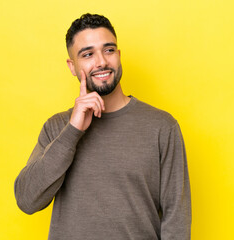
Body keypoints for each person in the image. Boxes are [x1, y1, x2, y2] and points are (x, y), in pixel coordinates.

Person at [14, 13, 191, 240]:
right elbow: (27, 200)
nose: (101, 62)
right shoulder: (57, 127)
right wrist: (73, 131)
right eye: (87, 54)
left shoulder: (162, 127)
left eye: (108, 50)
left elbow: (177, 220)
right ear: (72, 66)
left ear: (118, 55)